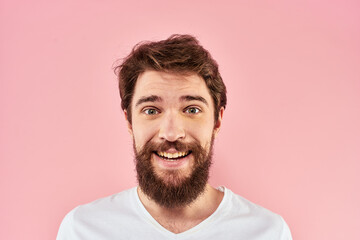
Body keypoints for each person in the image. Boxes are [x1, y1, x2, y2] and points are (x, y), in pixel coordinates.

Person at [57, 34, 292, 239]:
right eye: (151, 110)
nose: (171, 133)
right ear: (129, 121)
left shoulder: (268, 232)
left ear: (217, 121)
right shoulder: (81, 230)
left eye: (192, 109)